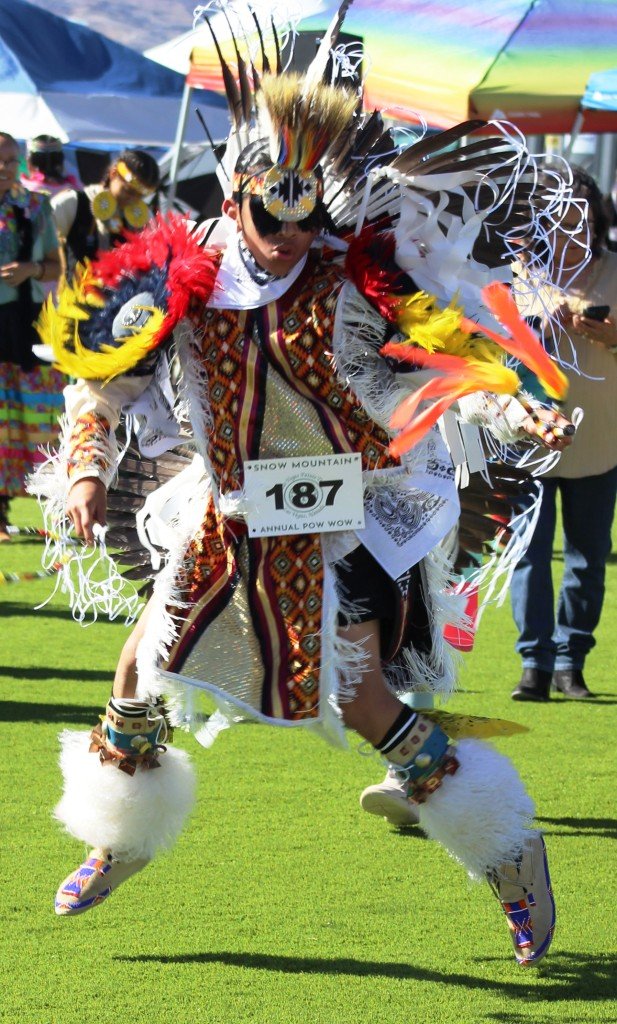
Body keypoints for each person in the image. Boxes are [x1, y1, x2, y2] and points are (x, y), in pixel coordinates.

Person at [35, 10, 577, 968]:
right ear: (236, 195)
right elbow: (102, 381)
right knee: (138, 671)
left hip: (346, 513)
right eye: (271, 216)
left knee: (362, 703)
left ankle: (508, 855)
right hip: (229, 507)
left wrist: (516, 406)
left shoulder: (350, 279)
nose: (290, 236)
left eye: (306, 217)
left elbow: (441, 360)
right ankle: (119, 835)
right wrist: (85, 467)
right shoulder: (184, 274)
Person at [510, 167, 617, 702]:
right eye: (561, 220)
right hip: (529, 436)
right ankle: (534, 662)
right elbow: (484, 345)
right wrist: (535, 324)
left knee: (588, 557)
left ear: (597, 223)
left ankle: (571, 661)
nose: (574, 230)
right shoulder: (516, 274)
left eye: (583, 220)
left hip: (600, 439)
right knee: (528, 554)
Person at [0, 132, 62, 541]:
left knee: (34, 418)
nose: (4, 168)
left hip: (25, 323)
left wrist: (31, 270)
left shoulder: (36, 206)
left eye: (10, 160)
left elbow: (56, 266)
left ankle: (54, 501)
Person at [50, 148, 160, 278]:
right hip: (76, 288)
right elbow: (42, 239)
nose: (133, 199)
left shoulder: (145, 217)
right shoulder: (73, 202)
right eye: (128, 191)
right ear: (113, 173)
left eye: (140, 196)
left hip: (123, 290)